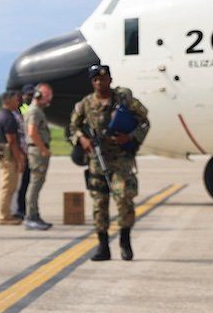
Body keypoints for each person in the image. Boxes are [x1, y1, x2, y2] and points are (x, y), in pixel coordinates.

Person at [69, 64, 150, 261]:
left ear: (110, 80)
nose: (99, 83)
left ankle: (124, 241)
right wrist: (82, 138)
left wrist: (130, 137)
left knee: (123, 199)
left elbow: (145, 121)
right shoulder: (85, 104)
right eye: (95, 79)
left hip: (121, 158)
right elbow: (73, 126)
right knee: (99, 203)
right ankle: (103, 246)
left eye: (103, 79)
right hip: (97, 159)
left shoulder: (124, 99)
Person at [24, 82, 55, 230]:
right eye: (47, 96)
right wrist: (43, 149)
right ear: (38, 95)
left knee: (37, 183)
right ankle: (31, 217)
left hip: (38, 150)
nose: (49, 100)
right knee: (35, 184)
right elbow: (32, 132)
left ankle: (34, 215)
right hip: (37, 152)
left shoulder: (37, 110)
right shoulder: (35, 111)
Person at [0, 90, 25, 225]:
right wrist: (20, 159)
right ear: (8, 101)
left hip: (2, 155)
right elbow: (12, 141)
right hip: (8, 157)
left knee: (8, 186)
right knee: (8, 187)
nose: (18, 103)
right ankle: (4, 216)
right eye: (16, 100)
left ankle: (6, 213)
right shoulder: (9, 118)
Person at [13, 86, 34, 219]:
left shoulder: (27, 109)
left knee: (26, 182)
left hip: (27, 150)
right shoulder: (17, 112)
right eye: (27, 95)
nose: (28, 98)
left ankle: (22, 208)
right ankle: (18, 209)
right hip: (20, 150)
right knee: (19, 183)